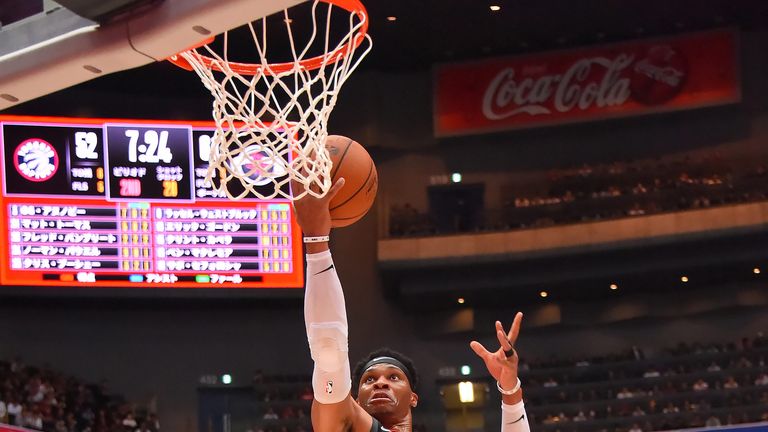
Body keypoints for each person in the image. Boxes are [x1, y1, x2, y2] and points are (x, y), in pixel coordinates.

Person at [293, 176, 530, 432]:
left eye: (393, 377)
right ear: (357, 400)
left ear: (413, 397)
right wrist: (316, 241)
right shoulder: (343, 423)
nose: (380, 383)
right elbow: (329, 348)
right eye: (369, 380)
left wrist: (511, 390)